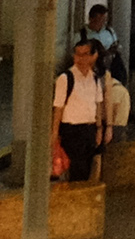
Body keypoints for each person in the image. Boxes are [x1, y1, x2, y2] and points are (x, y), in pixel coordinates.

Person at [50, 38, 114, 184]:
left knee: (87, 169)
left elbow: (98, 105)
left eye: (85, 54)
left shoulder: (95, 78)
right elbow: (58, 108)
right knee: (76, 171)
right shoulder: (66, 78)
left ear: (93, 57)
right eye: (77, 54)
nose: (80, 58)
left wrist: (99, 129)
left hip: (89, 130)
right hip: (72, 131)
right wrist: (54, 135)